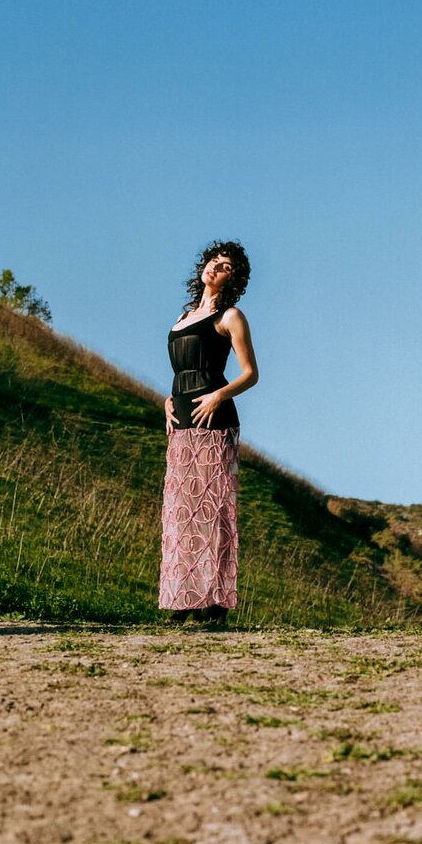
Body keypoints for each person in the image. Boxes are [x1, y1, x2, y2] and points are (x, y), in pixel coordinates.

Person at [158, 240, 258, 629]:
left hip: (215, 420)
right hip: (181, 421)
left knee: (213, 512)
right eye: (214, 261)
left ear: (234, 279)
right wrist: (168, 399)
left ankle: (214, 604)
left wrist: (219, 395)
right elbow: (182, 370)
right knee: (180, 514)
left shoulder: (231, 316)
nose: (216, 267)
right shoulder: (182, 317)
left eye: (226, 266)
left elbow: (250, 374)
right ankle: (182, 600)